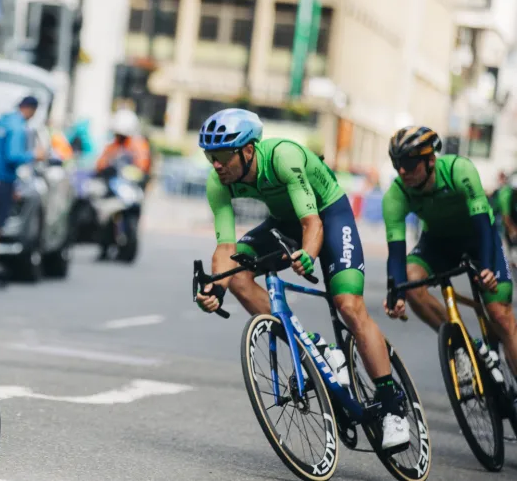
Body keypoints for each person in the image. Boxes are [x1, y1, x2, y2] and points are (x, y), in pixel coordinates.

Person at [193, 108, 410, 451]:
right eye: (210, 156)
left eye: (221, 156)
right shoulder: (217, 182)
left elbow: (313, 224)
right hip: (287, 223)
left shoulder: (283, 157)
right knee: (237, 275)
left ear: (248, 150)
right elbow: (225, 247)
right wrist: (215, 287)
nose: (216, 165)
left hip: (328, 216)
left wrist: (308, 254)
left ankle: (392, 406)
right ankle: (314, 346)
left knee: (349, 307)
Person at [383, 126, 517, 382]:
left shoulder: (458, 170)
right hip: (438, 243)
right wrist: (396, 293)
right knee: (410, 282)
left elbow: (483, 223)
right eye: (397, 163)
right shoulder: (396, 194)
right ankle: (463, 345)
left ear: (430, 160)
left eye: (409, 163)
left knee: (500, 315)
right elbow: (397, 255)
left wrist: (487, 267)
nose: (402, 171)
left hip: (479, 238)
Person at [0, 95, 46, 288]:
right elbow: (13, 156)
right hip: (3, 179)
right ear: (31, 109)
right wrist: (35, 155)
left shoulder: (2, 121)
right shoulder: (17, 127)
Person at [95, 109, 151, 176]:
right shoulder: (114, 144)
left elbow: (142, 167)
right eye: (118, 135)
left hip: (129, 183)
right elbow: (101, 164)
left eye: (122, 136)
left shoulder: (138, 145)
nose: (119, 138)